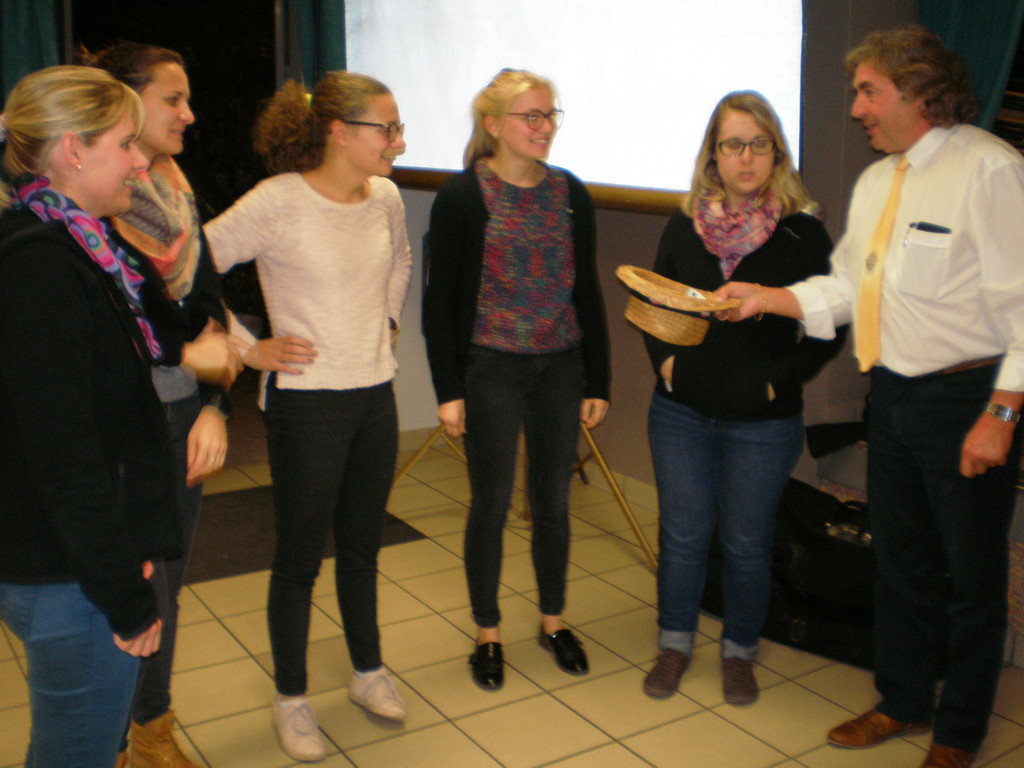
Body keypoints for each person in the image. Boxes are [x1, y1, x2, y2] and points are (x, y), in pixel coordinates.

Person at [716, 26, 1024, 768]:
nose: (855, 108)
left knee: (972, 579)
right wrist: (766, 298)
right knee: (901, 565)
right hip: (891, 398)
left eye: (867, 92)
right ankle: (903, 701)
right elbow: (847, 289)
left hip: (968, 398)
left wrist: (1001, 415)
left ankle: (958, 733)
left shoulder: (991, 169)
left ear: (918, 92)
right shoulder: (877, 182)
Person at [87, 41, 314, 768]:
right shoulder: (88, 210)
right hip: (120, 424)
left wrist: (215, 404)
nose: (189, 114)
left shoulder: (175, 191)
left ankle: (152, 734)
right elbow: (109, 338)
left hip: (183, 412)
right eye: (173, 99)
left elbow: (209, 305)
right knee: (121, 591)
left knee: (167, 585)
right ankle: (109, 740)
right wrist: (193, 363)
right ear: (123, 104)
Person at [205, 72, 411, 763]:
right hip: (307, 405)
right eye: (387, 128)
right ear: (340, 133)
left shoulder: (385, 198)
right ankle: (291, 699)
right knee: (299, 561)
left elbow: (400, 261)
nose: (398, 142)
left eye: (398, 128)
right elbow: (188, 267)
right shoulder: (279, 201)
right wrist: (248, 348)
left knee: (362, 547)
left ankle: (367, 671)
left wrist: (385, 320)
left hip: (374, 395)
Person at [639, 92, 846, 706]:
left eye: (759, 144)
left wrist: (777, 382)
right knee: (682, 536)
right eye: (733, 145)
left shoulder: (804, 232)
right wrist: (669, 366)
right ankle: (674, 645)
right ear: (714, 155)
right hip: (679, 415)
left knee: (748, 543)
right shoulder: (685, 224)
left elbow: (831, 325)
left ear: (776, 152)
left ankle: (738, 653)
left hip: (763, 422)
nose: (747, 157)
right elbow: (654, 303)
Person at [0, 65, 179, 768]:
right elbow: (65, 455)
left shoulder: (77, 242)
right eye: (125, 144)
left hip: (76, 565)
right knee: (77, 754)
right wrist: (123, 595)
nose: (141, 161)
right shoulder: (40, 266)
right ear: (73, 151)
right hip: (69, 578)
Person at [422, 69, 610, 691]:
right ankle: (488, 631)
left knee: (552, 500)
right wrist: (448, 390)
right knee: (492, 501)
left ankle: (553, 622)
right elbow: (439, 303)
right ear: (494, 125)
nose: (544, 127)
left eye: (550, 115)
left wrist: (598, 379)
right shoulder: (462, 197)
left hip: (560, 364)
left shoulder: (569, 193)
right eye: (531, 116)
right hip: (491, 366)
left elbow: (586, 288)